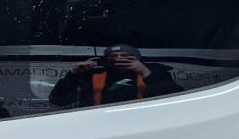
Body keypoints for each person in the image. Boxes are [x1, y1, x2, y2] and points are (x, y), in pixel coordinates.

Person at [49, 44, 181, 108]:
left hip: (143, 121)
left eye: (125, 56)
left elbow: (175, 99)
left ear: (137, 59)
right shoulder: (93, 75)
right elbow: (59, 100)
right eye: (113, 56)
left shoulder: (154, 72)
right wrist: (73, 74)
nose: (118, 59)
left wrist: (145, 72)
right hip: (99, 123)